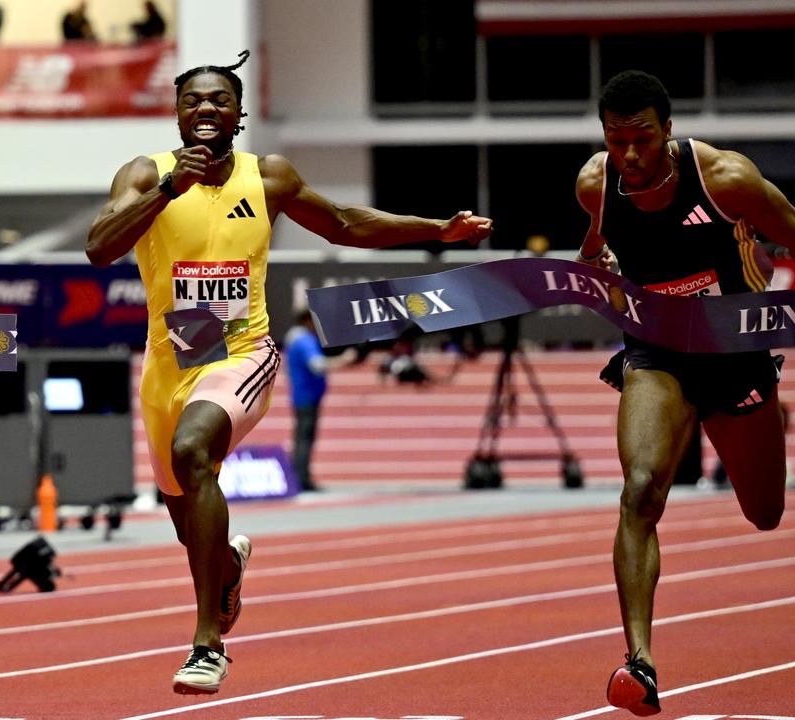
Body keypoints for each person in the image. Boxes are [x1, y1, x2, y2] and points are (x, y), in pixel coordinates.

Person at [86, 50, 492, 695]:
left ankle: (205, 645)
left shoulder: (268, 176)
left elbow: (347, 224)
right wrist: (169, 190)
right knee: (191, 530)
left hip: (241, 352)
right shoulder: (145, 173)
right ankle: (228, 570)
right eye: (194, 100)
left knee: (195, 452)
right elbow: (99, 247)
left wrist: (437, 230)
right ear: (177, 113)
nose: (207, 109)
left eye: (220, 100)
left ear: (240, 115)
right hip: (169, 362)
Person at [575, 70, 795, 717]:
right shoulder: (595, 184)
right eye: (615, 140)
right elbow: (593, 249)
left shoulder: (724, 178)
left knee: (765, 512)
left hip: (736, 353)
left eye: (640, 138)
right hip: (657, 353)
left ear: (667, 129)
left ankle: (762, 423)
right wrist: (594, 270)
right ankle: (640, 662)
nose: (627, 154)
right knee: (639, 490)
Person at [285, 308, 350, 492]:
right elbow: (317, 365)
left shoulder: (297, 339)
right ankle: (301, 479)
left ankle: (299, 477)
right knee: (304, 439)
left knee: (302, 438)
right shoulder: (304, 340)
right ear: (307, 320)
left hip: (305, 395)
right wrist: (343, 360)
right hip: (306, 396)